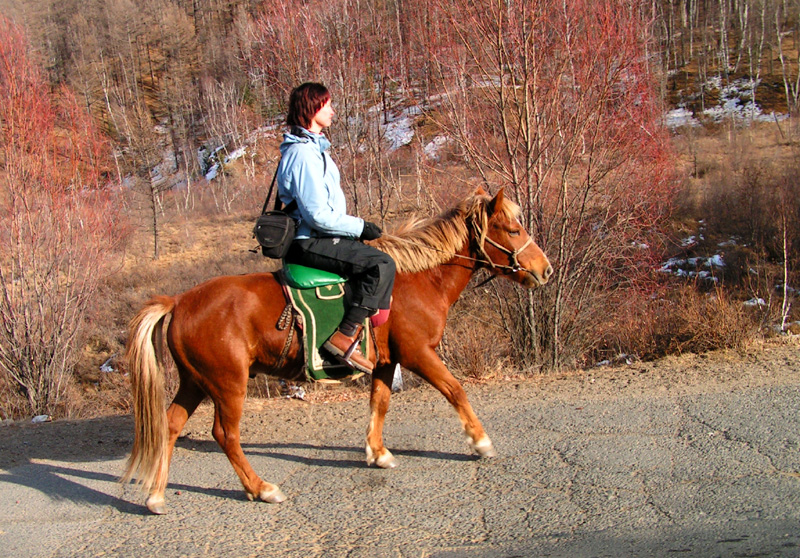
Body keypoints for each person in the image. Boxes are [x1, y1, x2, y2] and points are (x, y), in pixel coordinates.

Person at [276, 82, 395, 374]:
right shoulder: (303, 154)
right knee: (381, 265)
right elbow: (317, 215)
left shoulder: (315, 149)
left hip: (324, 236)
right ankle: (344, 336)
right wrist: (359, 226)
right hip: (311, 240)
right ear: (312, 108)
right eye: (326, 105)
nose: (332, 110)